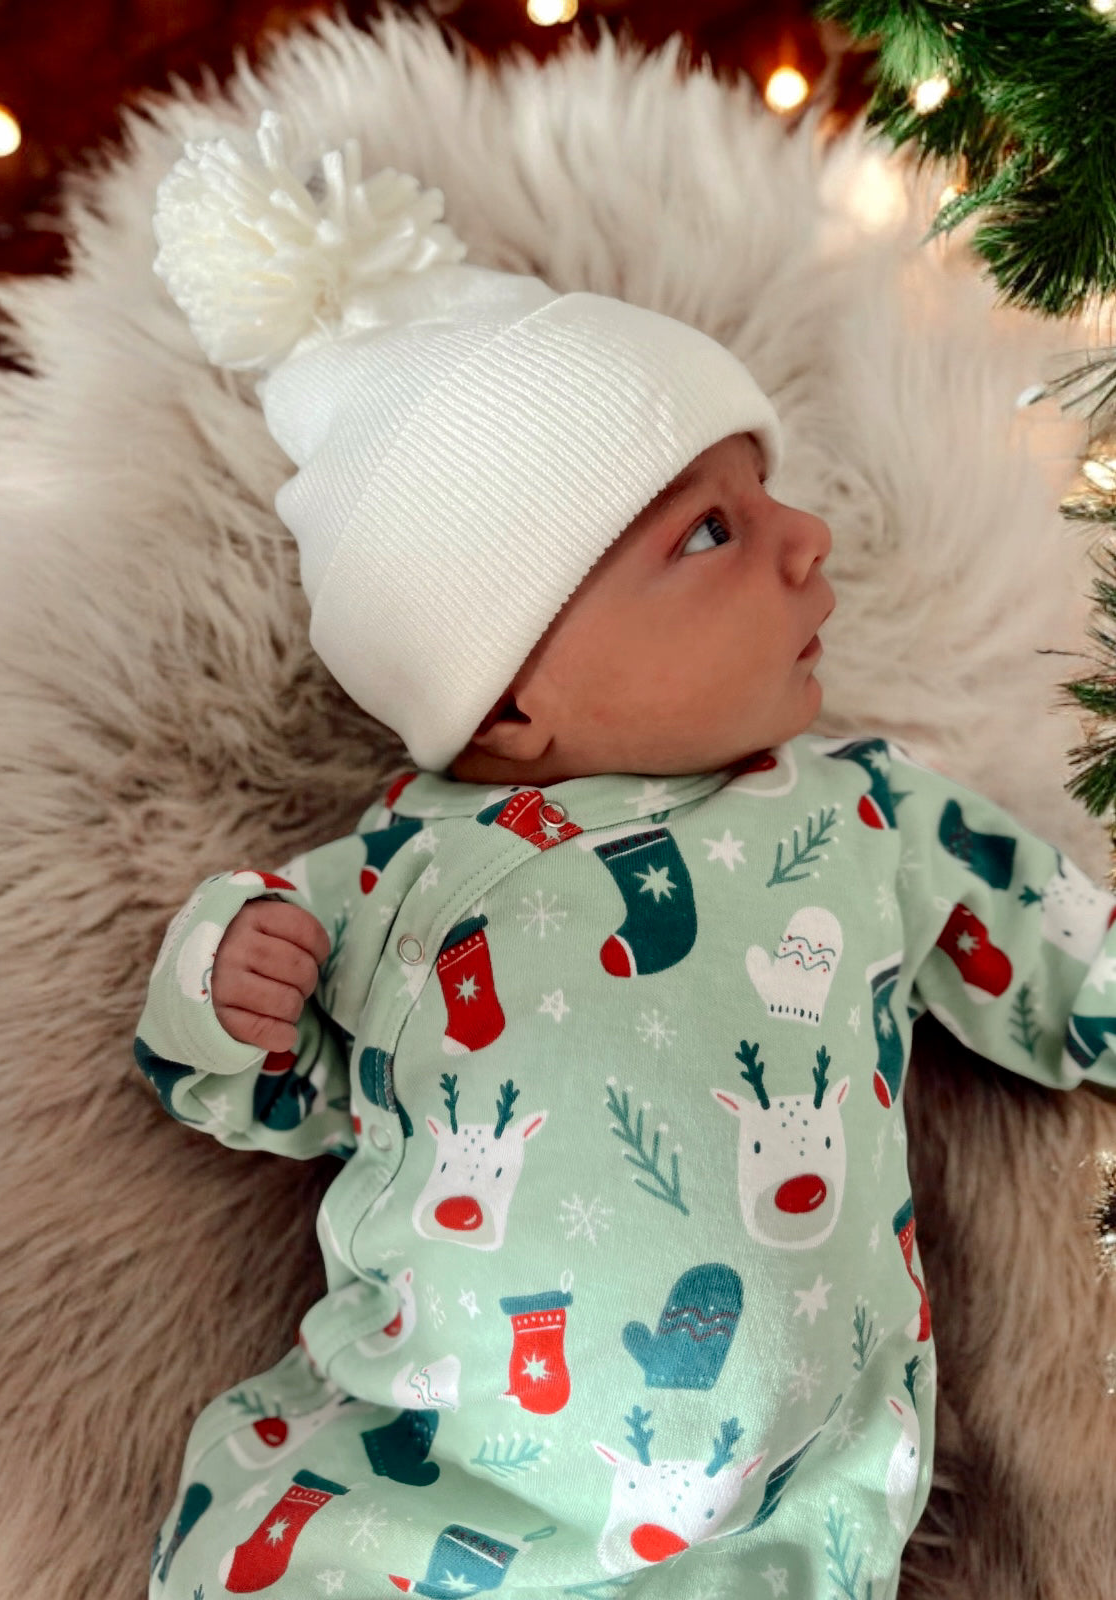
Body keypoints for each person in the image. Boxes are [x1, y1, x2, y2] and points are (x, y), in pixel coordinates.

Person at [135, 111, 1116, 1599]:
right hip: (409, 1498)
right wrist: (227, 980)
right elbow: (256, 1083)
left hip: (763, 1531)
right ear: (511, 693)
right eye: (710, 532)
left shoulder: (861, 810)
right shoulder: (401, 870)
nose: (809, 538)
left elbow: (1062, 951)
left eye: (767, 492)